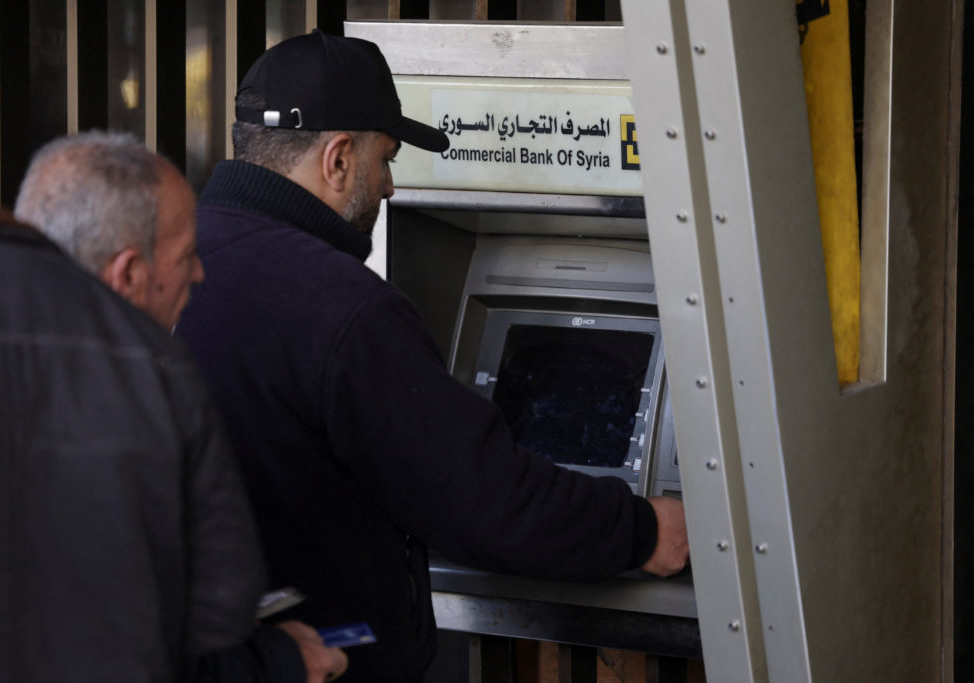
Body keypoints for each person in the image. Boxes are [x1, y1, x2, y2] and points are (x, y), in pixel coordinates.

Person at [175, 30, 690, 682]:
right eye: (385, 159)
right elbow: (488, 499)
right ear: (337, 159)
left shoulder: (171, 261)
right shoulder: (343, 306)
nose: (390, 187)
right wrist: (642, 528)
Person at [12, 130, 348, 683]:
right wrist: (284, 662)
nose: (199, 273)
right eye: (186, 254)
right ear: (128, 275)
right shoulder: (140, 405)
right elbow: (201, 631)